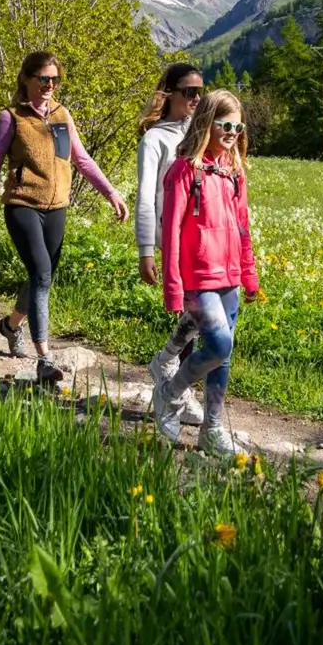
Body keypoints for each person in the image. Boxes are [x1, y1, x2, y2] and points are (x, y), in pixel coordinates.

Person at [0, 51, 128, 384]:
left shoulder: (61, 115)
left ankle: (11, 325)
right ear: (26, 80)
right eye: (43, 79)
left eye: (55, 80)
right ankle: (45, 357)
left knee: (41, 275)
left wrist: (111, 192)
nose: (50, 86)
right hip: (22, 205)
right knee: (42, 273)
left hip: (57, 208)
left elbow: (81, 159)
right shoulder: (11, 117)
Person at [151, 89, 258, 456]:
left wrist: (249, 274)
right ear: (206, 123)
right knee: (219, 344)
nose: (231, 132)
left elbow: (242, 226)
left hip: (229, 276)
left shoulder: (233, 172)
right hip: (197, 277)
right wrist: (172, 288)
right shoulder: (184, 170)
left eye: (237, 126)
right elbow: (171, 231)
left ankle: (211, 429)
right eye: (224, 124)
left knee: (223, 356)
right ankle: (169, 393)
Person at [136, 62, 205, 426]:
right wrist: (146, 248)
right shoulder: (155, 139)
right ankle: (175, 389)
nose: (195, 98)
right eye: (189, 91)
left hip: (204, 238)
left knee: (196, 314)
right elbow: (145, 198)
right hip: (173, 238)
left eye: (200, 92)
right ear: (170, 94)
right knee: (193, 310)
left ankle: (174, 384)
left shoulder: (203, 134)